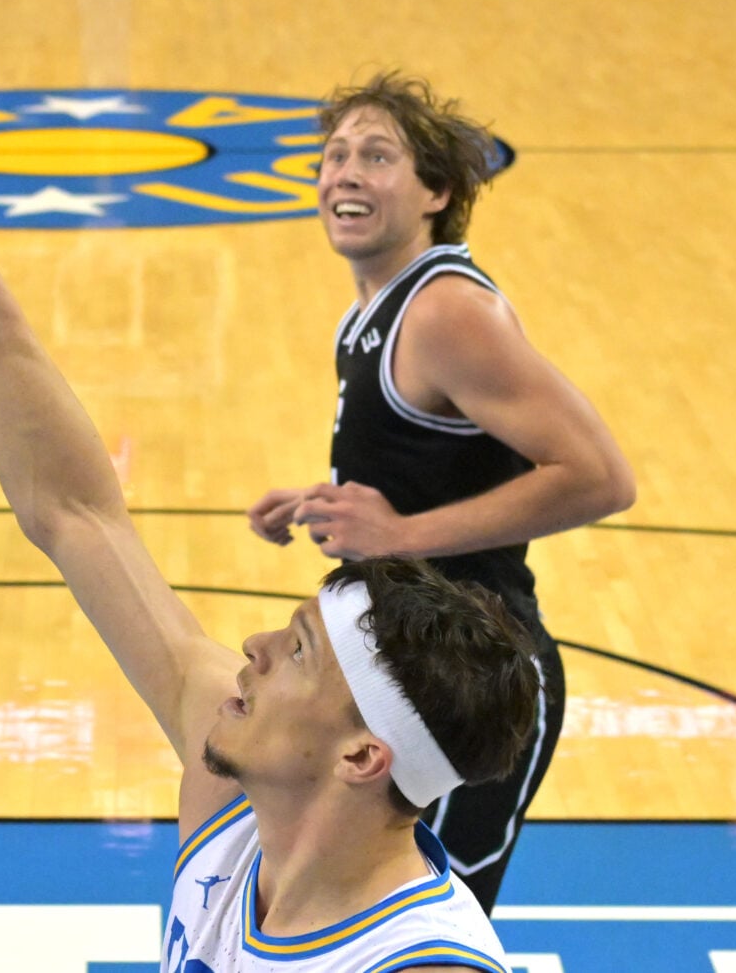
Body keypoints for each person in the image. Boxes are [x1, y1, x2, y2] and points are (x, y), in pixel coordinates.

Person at [0, 24, 537, 967]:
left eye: (300, 652)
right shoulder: (237, 805)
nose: (253, 646)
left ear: (363, 755)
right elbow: (74, 511)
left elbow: (600, 473)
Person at [248, 75, 633, 908]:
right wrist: (335, 501)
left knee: (424, 936)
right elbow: (430, 468)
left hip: (479, 681)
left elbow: (600, 477)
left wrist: (398, 534)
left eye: (376, 156)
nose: (345, 173)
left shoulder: (447, 309)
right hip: (408, 672)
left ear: (436, 191)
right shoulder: (376, 310)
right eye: (336, 154)